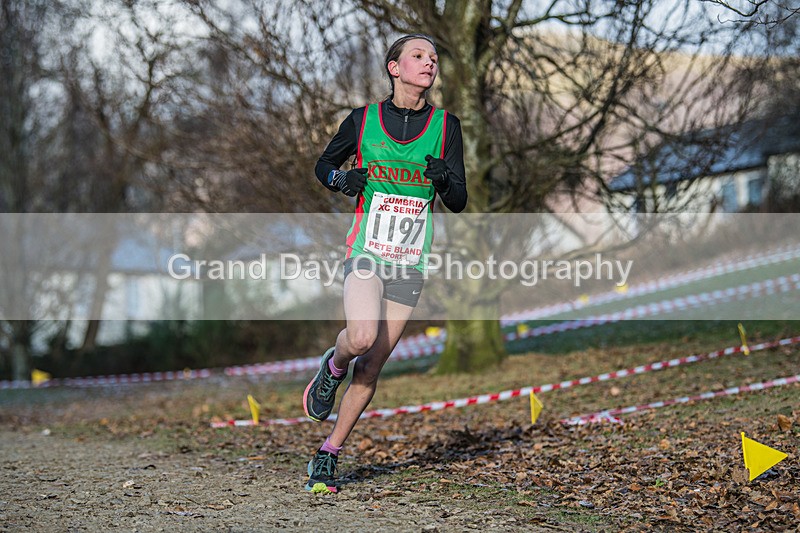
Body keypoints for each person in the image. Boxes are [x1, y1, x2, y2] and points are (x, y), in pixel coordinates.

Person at [302, 33, 467, 493]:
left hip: (409, 262)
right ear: (395, 68)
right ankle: (332, 368)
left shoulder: (446, 126)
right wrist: (344, 178)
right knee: (359, 338)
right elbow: (323, 167)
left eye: (434, 57)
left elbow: (458, 199)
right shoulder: (363, 120)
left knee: (372, 366)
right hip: (366, 253)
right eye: (419, 56)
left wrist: (443, 179)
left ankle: (329, 452)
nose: (429, 63)